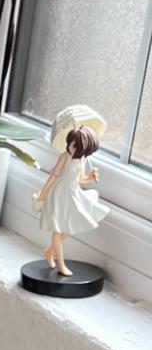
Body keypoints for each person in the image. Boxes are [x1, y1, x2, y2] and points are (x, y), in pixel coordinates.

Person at [32, 104, 111, 278]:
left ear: (84, 148)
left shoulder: (82, 160)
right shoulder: (64, 157)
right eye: (70, 144)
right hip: (60, 193)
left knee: (69, 227)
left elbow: (80, 179)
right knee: (58, 228)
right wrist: (43, 194)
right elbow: (53, 177)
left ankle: (49, 251)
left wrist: (90, 177)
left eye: (75, 146)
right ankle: (60, 263)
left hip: (73, 193)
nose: (70, 147)